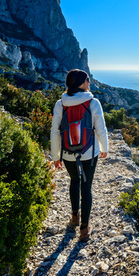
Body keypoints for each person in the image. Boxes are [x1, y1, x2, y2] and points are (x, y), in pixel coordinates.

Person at [51, 69, 108, 241]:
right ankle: (84, 229)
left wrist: (56, 156)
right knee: (87, 186)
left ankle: (75, 217)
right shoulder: (93, 102)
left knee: (74, 181)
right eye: (88, 80)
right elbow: (101, 128)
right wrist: (104, 147)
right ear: (81, 83)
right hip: (89, 153)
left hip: (68, 154)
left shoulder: (60, 104)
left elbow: (55, 131)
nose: (90, 83)